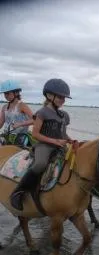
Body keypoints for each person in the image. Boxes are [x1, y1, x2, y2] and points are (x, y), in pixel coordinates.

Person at [10, 78, 75, 210]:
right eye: (61, 97)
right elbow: (35, 134)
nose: (63, 100)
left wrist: (70, 140)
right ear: (50, 96)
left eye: (64, 98)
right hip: (44, 145)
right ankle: (18, 192)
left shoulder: (64, 115)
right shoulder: (42, 112)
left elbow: (62, 134)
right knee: (40, 164)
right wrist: (55, 141)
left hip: (60, 145)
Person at [0, 80, 34, 146]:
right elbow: (1, 122)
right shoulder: (4, 107)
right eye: (4, 93)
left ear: (16, 93)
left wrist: (20, 124)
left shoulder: (22, 105)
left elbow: (35, 120)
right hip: (7, 136)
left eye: (7, 93)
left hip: (21, 137)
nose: (5, 95)